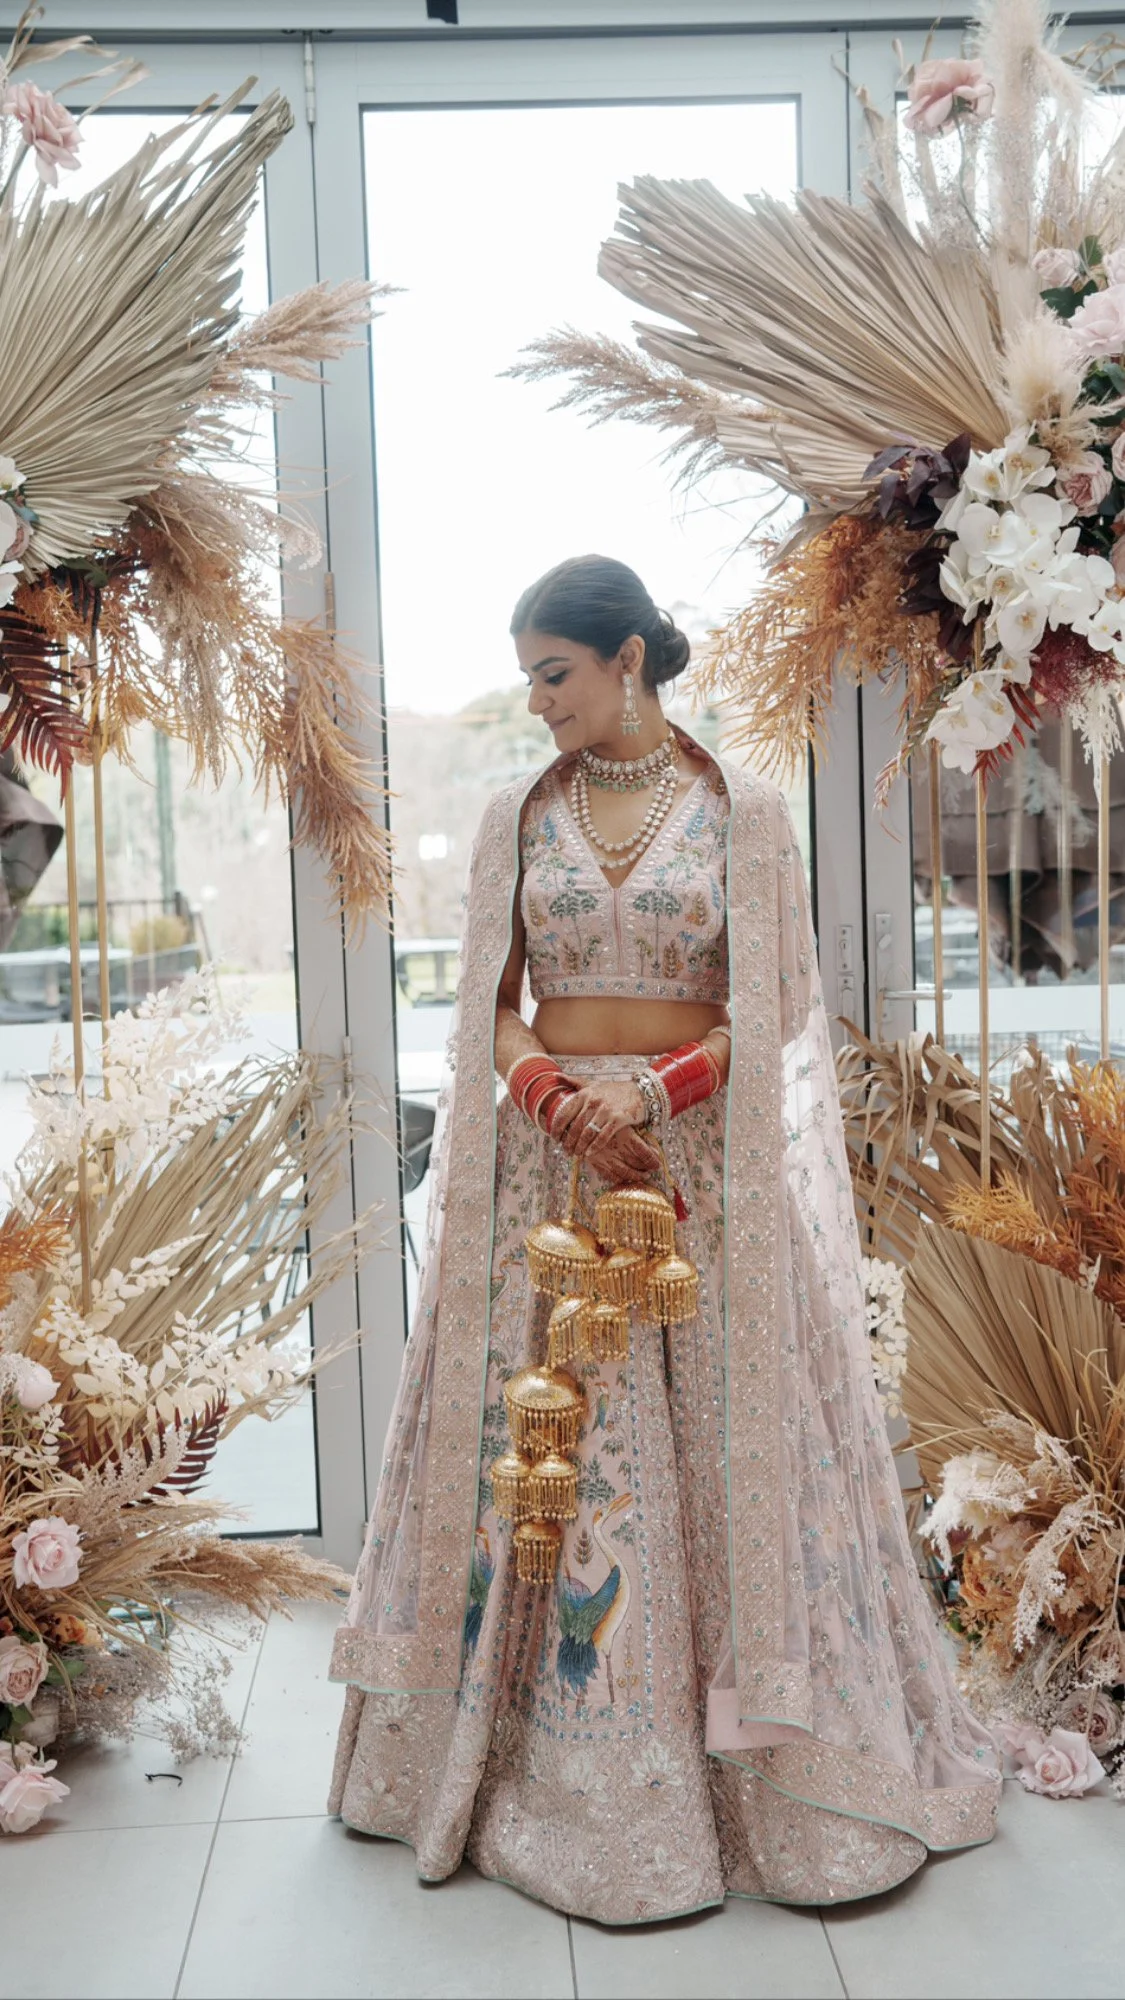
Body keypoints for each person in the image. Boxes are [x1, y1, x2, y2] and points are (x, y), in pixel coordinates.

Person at [328, 554, 1001, 1921]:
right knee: (555, 1443)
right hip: (551, 1168)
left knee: (719, 1441)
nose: (538, 703)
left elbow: (780, 1010)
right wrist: (552, 1097)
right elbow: (490, 1006)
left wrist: (656, 1091)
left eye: (554, 674)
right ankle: (534, 1766)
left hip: (694, 1172)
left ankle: (757, 1775)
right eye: (527, 678)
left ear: (630, 657)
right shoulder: (521, 814)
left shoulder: (741, 816)